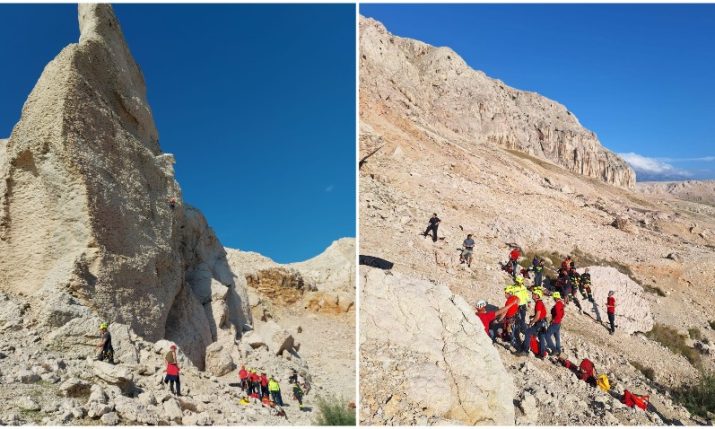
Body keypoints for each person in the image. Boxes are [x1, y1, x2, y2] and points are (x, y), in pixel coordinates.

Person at [520, 288, 548, 358]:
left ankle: (525, 351)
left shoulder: (538, 303)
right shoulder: (540, 303)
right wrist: (533, 316)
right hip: (543, 322)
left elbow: (538, 316)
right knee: (541, 337)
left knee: (528, 332)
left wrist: (531, 322)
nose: (532, 295)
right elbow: (541, 313)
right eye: (533, 293)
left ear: (538, 296)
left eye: (534, 294)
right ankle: (542, 353)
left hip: (540, 322)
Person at [545, 292, 565, 356]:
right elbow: (562, 314)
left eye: (554, 298)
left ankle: (554, 350)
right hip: (558, 323)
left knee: (547, 335)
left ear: (555, 298)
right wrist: (558, 320)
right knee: (557, 337)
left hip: (555, 323)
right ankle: (558, 350)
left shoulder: (557, 305)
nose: (553, 299)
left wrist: (553, 320)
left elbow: (558, 314)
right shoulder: (561, 304)